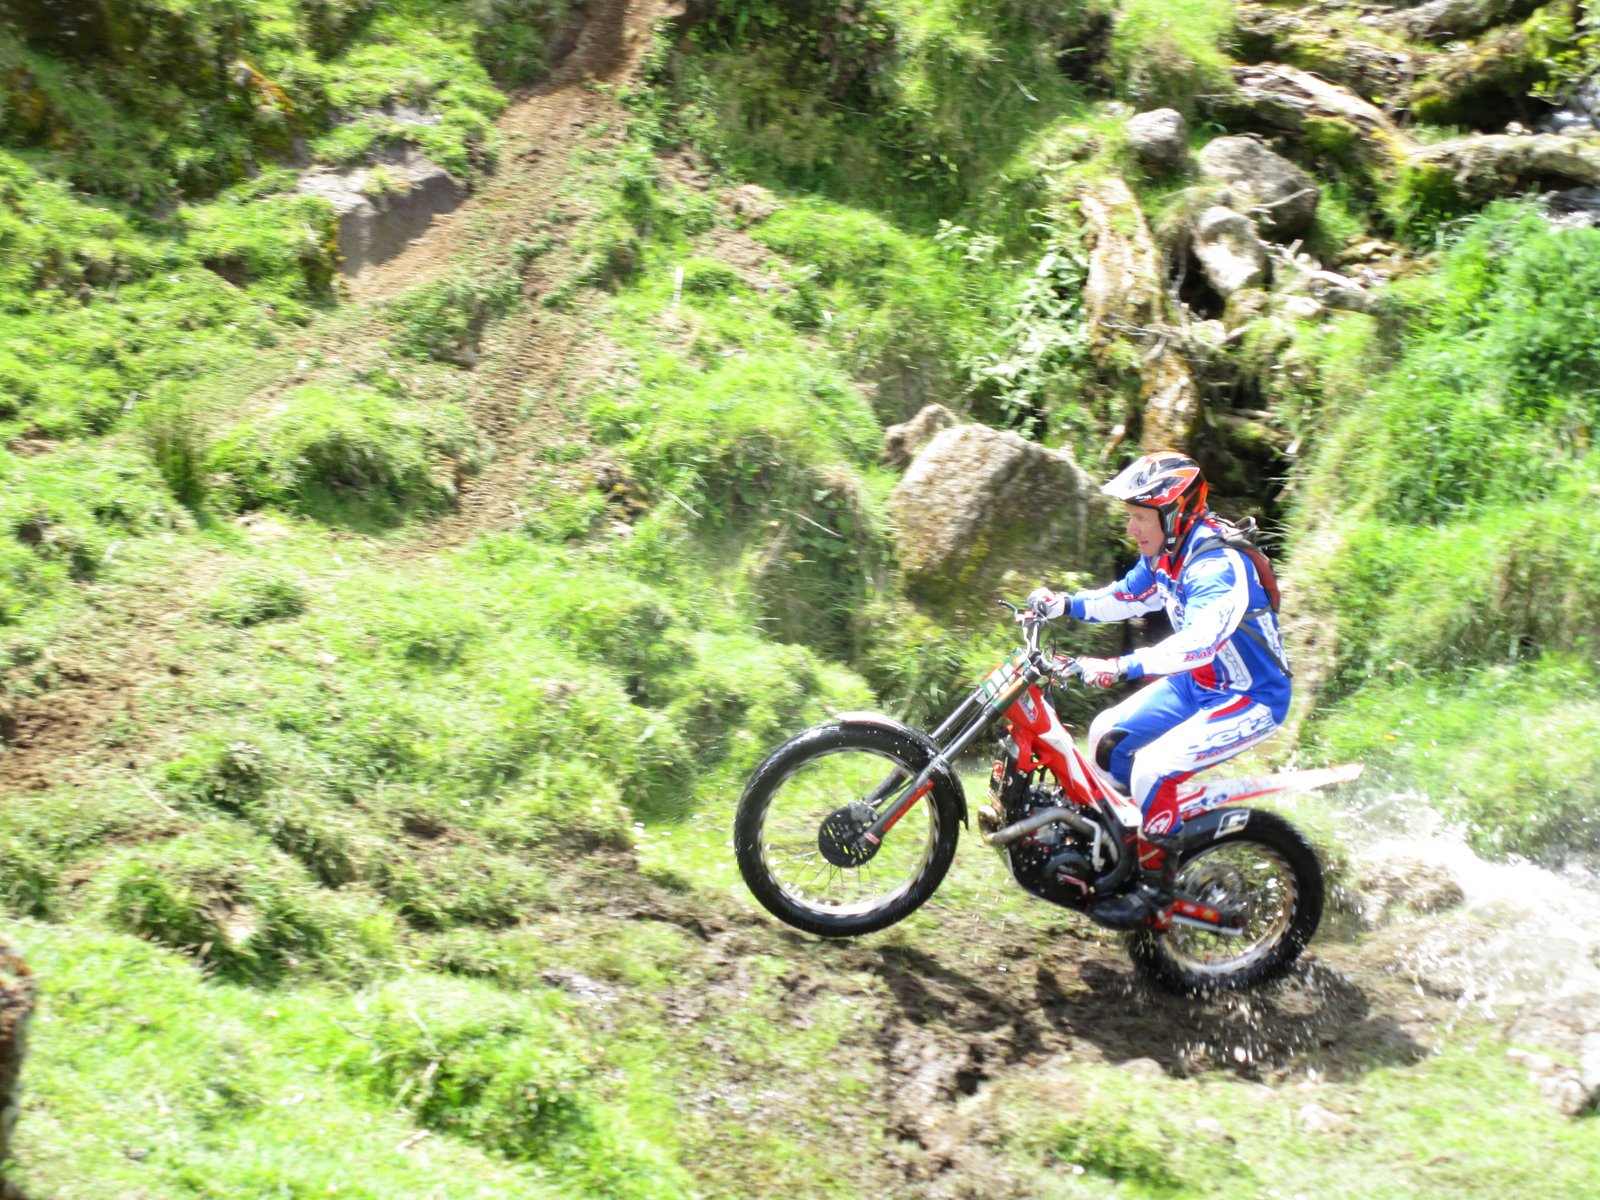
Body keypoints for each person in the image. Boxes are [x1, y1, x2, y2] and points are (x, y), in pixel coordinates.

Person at [1027, 451, 1292, 930]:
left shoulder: (1216, 567)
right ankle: (1121, 850)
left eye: (1140, 518)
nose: (1131, 529)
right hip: (1199, 684)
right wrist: (1064, 604)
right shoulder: (1167, 554)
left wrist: (1120, 666)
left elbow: (1197, 645)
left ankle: (1155, 894)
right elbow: (1124, 597)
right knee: (1107, 736)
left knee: (1154, 768)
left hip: (1250, 697)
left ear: (1175, 514)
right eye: (1130, 516)